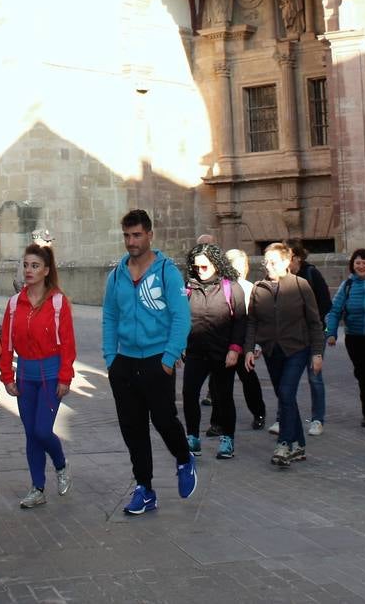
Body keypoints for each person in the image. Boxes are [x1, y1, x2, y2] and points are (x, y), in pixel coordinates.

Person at [101, 209, 196, 516]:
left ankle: (184, 458)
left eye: (137, 235)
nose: (131, 242)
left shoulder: (167, 271)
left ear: (149, 235)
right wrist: (110, 359)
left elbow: (181, 316)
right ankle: (145, 489)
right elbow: (110, 318)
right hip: (124, 363)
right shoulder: (117, 274)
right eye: (127, 235)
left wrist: (169, 358)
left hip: (157, 360)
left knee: (164, 420)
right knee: (133, 428)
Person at [0, 242, 76, 509]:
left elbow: (67, 343)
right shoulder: (13, 304)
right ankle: (37, 488)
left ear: (46, 271)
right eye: (26, 265)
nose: (29, 270)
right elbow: (6, 343)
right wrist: (7, 375)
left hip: (51, 374)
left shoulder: (57, 302)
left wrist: (65, 376)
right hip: (25, 376)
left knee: (43, 430)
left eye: (34, 266)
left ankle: (61, 464)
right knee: (31, 433)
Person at [244, 243, 325, 467]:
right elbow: (252, 322)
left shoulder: (301, 285)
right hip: (272, 350)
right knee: (285, 396)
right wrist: (249, 349)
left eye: (273, 262)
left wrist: (317, 353)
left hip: (297, 349)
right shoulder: (259, 288)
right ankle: (299, 444)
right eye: (266, 262)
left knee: (287, 392)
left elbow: (314, 322)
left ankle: (284, 443)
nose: (268, 266)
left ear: (287, 261)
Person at [181, 243, 245, 461]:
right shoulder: (188, 287)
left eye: (204, 267)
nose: (200, 270)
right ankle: (192, 437)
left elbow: (240, 321)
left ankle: (227, 438)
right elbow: (179, 318)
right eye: (196, 267)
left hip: (222, 352)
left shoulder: (231, 287)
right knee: (189, 394)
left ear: (216, 264)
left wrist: (235, 349)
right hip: (195, 352)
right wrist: (179, 344)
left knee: (224, 396)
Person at [324, 249, 365, 434]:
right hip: (355, 338)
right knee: (362, 376)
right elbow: (334, 311)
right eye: (358, 263)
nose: (361, 266)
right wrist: (331, 333)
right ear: (353, 265)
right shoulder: (348, 285)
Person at [289, 244, 332, 437]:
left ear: (298, 257)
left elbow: (326, 303)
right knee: (288, 378)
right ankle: (284, 417)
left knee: (315, 376)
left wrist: (312, 321)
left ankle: (317, 419)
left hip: (313, 333)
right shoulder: (283, 276)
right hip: (292, 335)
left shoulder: (311, 274)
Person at [225, 248, 266, 431]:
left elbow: (256, 319)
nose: (240, 269)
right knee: (220, 383)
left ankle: (258, 413)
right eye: (236, 265)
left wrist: (255, 344)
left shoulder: (250, 288)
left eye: (243, 265)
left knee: (248, 379)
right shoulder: (221, 286)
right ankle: (219, 421)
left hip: (243, 342)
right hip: (223, 340)